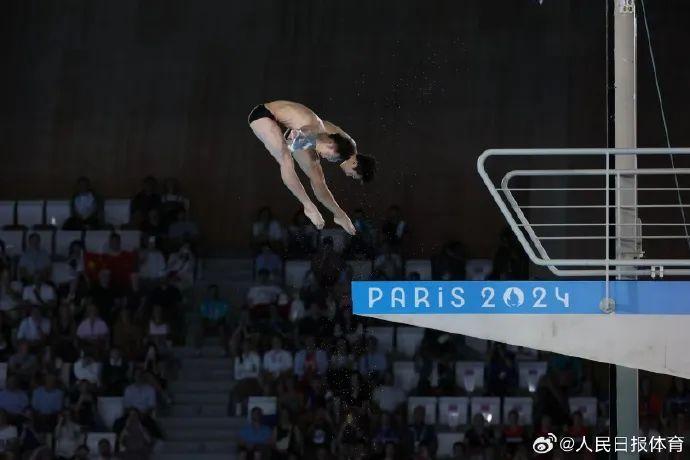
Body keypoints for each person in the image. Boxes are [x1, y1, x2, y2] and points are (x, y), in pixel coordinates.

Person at [248, 101, 375, 233]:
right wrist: (302, 140)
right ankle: (313, 207)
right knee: (290, 162)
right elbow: (320, 126)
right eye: (353, 175)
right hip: (296, 127)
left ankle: (338, 215)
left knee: (318, 180)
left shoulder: (342, 150)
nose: (349, 176)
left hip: (306, 136)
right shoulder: (345, 144)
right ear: (355, 163)